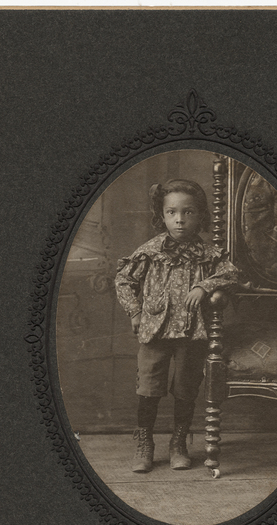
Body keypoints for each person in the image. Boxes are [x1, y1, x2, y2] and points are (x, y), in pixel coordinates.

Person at [115, 179, 238, 473]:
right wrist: (135, 312)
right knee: (149, 387)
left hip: (192, 332)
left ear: (200, 215)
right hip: (155, 330)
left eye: (188, 212)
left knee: (185, 388)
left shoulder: (207, 254)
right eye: (172, 212)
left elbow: (232, 274)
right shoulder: (150, 251)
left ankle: (178, 443)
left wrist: (204, 286)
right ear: (162, 215)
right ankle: (145, 443)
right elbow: (123, 279)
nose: (180, 219)